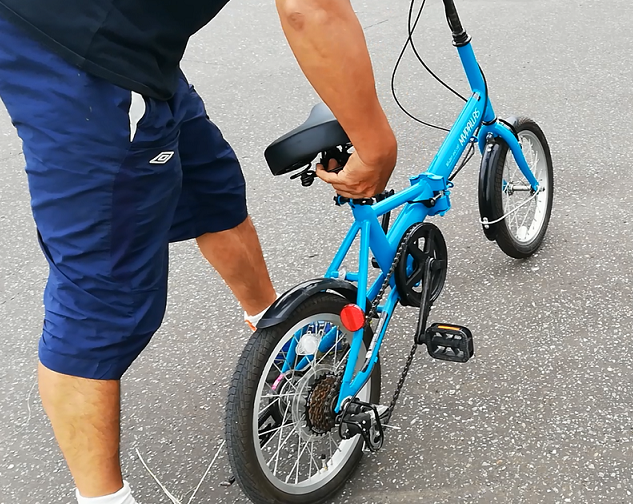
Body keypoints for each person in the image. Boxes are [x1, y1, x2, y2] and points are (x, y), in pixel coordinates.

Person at [0, 0, 398, 502]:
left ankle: (277, 337)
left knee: (212, 190)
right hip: (77, 51)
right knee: (103, 297)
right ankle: (103, 498)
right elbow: (309, 9)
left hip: (136, 42)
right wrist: (376, 146)